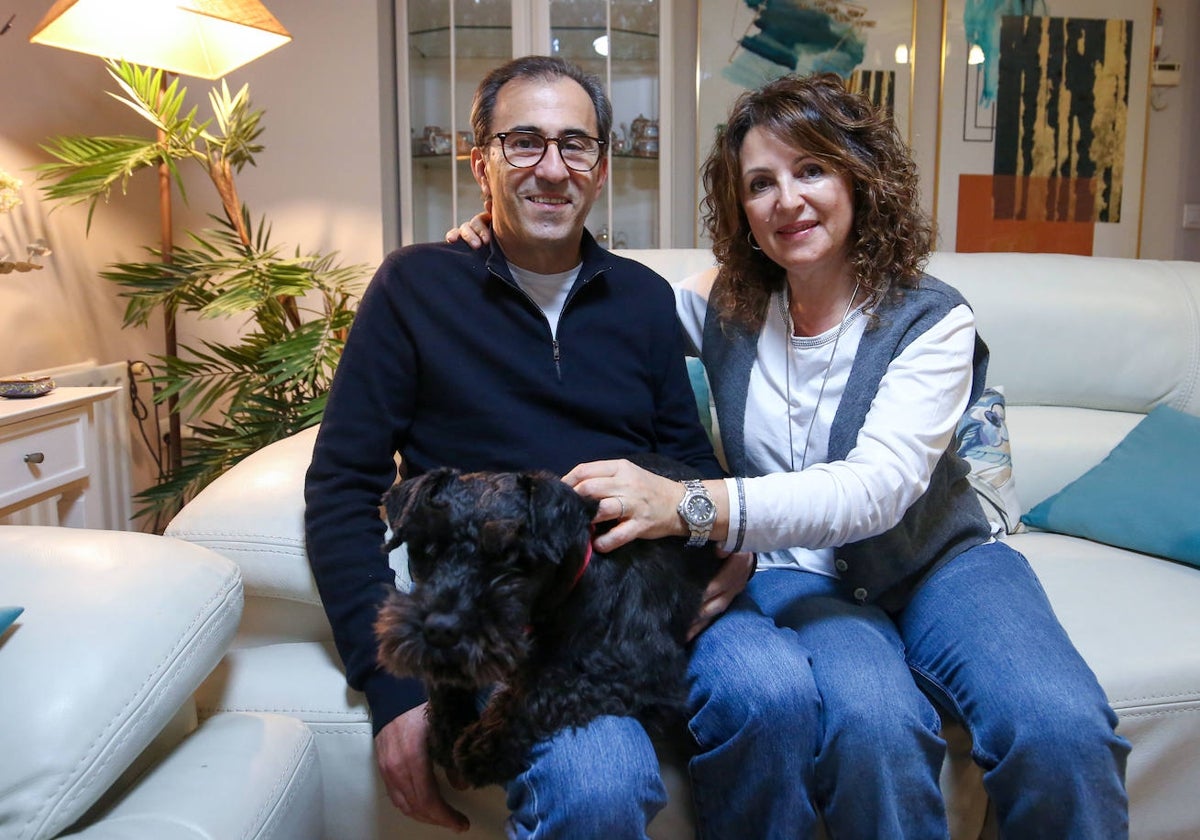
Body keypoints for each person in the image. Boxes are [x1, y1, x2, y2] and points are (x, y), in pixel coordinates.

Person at [453, 72, 1131, 836]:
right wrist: (501, 240)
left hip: (940, 562)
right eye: (760, 183)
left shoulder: (932, 319)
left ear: (858, 176)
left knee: (1062, 728)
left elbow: (875, 490)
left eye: (812, 169)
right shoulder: (720, 299)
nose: (788, 200)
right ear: (741, 207)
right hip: (803, 580)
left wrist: (690, 506)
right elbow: (603, 308)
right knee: (873, 728)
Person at [304, 56, 819, 839]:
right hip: (514, 616)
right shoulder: (413, 288)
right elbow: (342, 489)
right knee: (599, 782)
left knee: (776, 692)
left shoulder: (644, 298)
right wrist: (391, 689)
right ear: (480, 162)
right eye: (524, 143)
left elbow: (686, 454)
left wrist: (730, 542)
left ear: (602, 168)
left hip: (646, 589)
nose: (552, 169)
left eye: (575, 145)